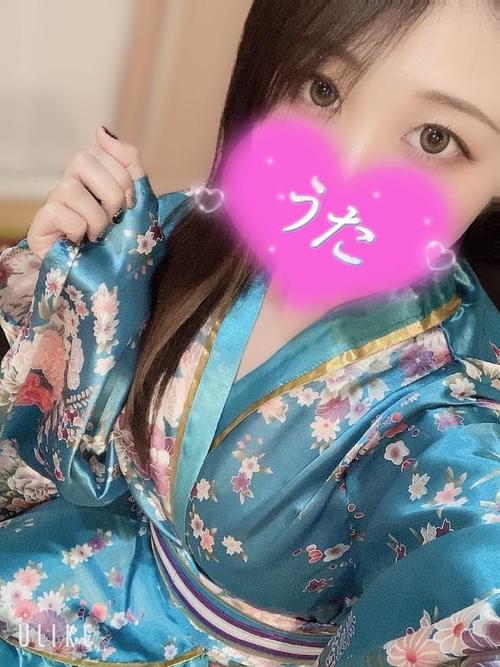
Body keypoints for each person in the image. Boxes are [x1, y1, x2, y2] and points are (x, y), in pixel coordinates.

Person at [0, 0, 499, 665]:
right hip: (84, 572)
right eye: (322, 89)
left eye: (435, 138)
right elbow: (83, 447)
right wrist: (74, 275)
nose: (344, 170)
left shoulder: (455, 418)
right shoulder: (195, 229)